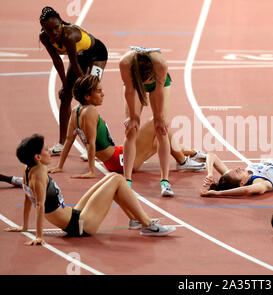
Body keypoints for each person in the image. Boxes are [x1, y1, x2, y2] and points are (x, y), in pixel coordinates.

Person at [4, 134, 176, 246]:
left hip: (76, 214)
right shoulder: (40, 175)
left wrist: (25, 226)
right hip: (80, 226)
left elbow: (28, 197)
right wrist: (39, 236)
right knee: (117, 178)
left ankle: (136, 220)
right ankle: (147, 225)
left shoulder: (28, 170)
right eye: (46, 150)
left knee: (111, 178)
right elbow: (39, 205)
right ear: (38, 157)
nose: (50, 152)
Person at [49, 75, 205, 179]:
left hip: (115, 157)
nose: (103, 94)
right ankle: (183, 162)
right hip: (119, 160)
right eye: (98, 91)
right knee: (157, 122)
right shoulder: (90, 111)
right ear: (87, 96)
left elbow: (69, 140)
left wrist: (59, 166)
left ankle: (192, 153)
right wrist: (91, 171)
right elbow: (90, 143)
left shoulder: (76, 111)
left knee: (158, 141)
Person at [39, 7, 108, 155]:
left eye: (57, 27)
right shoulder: (44, 37)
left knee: (89, 98)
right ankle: (61, 143)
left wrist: (86, 88)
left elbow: (74, 64)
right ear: (44, 29)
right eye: (49, 30)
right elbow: (57, 61)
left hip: (97, 55)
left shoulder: (68, 35)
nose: (54, 32)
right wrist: (65, 85)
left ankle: (93, 146)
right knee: (65, 96)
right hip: (81, 56)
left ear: (61, 24)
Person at [119, 46, 173, 196]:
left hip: (159, 86)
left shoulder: (161, 65)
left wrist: (160, 118)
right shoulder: (125, 64)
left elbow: (159, 91)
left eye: (148, 80)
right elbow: (129, 90)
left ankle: (165, 181)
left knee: (161, 130)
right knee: (131, 130)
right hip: (133, 85)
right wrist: (133, 118)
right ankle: (127, 181)